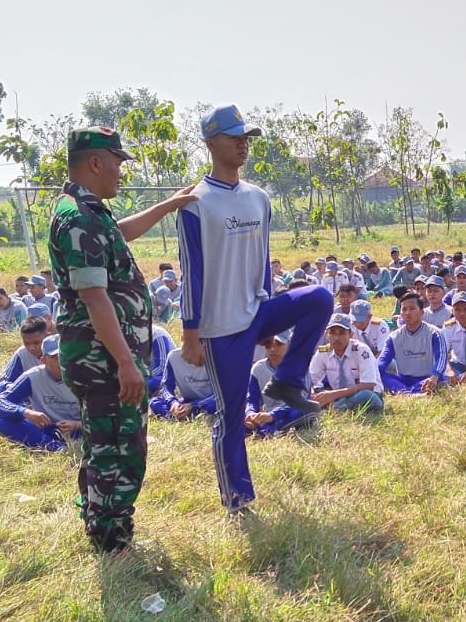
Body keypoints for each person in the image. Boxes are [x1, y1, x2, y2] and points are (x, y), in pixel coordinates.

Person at [174, 107, 331, 515]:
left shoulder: (259, 197)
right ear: (211, 144)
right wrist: (191, 333)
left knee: (318, 298)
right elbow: (193, 273)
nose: (243, 143)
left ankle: (289, 379)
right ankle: (237, 500)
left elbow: (261, 260)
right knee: (229, 415)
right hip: (220, 326)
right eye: (233, 137)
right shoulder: (195, 203)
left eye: (247, 136)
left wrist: (267, 315)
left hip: (256, 311)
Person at [51, 127, 199, 550]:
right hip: (104, 362)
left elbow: (121, 232)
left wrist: (169, 204)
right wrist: (125, 363)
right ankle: (112, 540)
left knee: (104, 443)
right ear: (96, 163)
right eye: (116, 162)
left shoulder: (88, 213)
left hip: (99, 359)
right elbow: (95, 298)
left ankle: (100, 522)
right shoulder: (79, 217)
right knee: (120, 448)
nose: (120, 172)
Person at [0, 335, 82, 451]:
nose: (62, 361)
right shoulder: (33, 377)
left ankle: (55, 446)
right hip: (45, 427)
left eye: (65, 354)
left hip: (79, 429)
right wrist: (26, 412)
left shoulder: (84, 376)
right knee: (4, 422)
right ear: (43, 361)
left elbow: (104, 412)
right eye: (55, 357)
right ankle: (56, 447)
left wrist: (77, 424)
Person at [307, 313, 384, 414]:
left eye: (342, 333)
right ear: (326, 334)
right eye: (332, 333)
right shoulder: (323, 352)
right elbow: (311, 379)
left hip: (365, 393)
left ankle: (331, 409)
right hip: (338, 396)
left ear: (351, 334)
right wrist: (314, 394)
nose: (337, 338)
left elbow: (368, 385)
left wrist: (333, 394)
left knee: (367, 396)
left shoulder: (361, 350)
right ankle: (333, 407)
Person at [377, 293, 448, 394]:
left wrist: (434, 376)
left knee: (439, 380)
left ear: (422, 312)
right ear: (400, 313)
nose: (407, 312)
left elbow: (441, 358)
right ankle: (411, 394)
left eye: (412, 308)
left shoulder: (435, 333)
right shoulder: (393, 337)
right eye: (404, 309)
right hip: (403, 379)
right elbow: (382, 361)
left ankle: (404, 393)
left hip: (427, 378)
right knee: (381, 376)